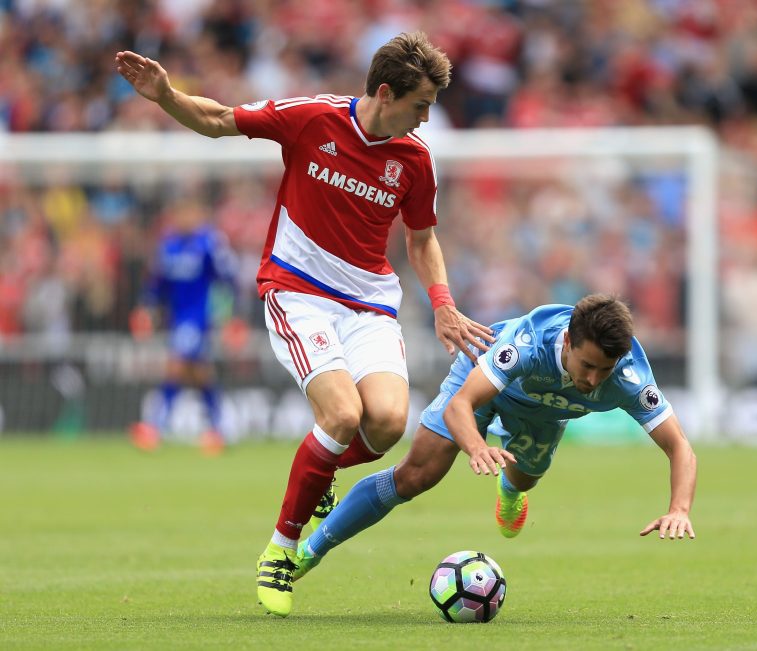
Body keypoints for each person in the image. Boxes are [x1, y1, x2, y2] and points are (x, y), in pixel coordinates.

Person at [116, 31, 493, 617]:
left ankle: (319, 477)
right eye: (420, 106)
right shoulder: (311, 118)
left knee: (388, 423)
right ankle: (281, 550)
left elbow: (421, 240)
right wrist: (167, 95)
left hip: (370, 302)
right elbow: (218, 119)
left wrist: (443, 302)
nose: (425, 120)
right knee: (342, 415)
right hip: (298, 291)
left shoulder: (415, 159)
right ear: (386, 92)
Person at [293, 294, 698, 585]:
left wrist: (679, 509)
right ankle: (309, 551)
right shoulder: (526, 344)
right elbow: (461, 406)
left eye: (603, 370)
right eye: (587, 365)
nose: (593, 381)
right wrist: (476, 446)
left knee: (524, 478)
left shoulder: (629, 377)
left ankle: (511, 489)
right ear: (568, 342)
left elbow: (679, 446)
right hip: (484, 384)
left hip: (548, 413)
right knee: (417, 475)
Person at [129, 195, 240, 456]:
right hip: (177, 317)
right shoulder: (168, 246)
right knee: (199, 374)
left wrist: (231, 314)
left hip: (200, 316)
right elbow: (157, 285)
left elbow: (228, 278)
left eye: (189, 213)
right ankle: (217, 429)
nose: (184, 219)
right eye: (180, 214)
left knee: (176, 365)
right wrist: (146, 309)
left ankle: (154, 428)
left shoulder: (209, 243)